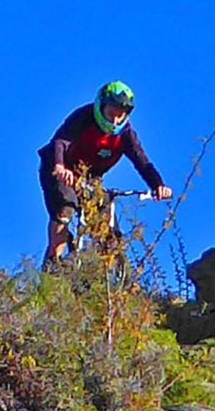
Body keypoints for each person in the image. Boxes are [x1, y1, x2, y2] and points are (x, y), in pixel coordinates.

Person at [39, 80, 172, 269]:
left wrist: (158, 185)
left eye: (120, 116)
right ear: (101, 106)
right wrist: (60, 167)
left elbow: (142, 162)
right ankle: (53, 262)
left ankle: (114, 280)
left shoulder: (126, 134)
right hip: (60, 169)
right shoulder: (83, 117)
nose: (115, 121)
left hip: (90, 178)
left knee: (107, 230)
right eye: (111, 114)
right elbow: (60, 142)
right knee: (65, 209)